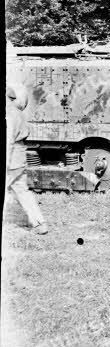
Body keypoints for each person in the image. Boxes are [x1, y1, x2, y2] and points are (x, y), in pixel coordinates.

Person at [6, 83, 49, 235]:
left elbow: (8, 139)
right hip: (19, 156)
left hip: (11, 158)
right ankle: (39, 223)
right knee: (22, 190)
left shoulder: (9, 114)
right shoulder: (17, 112)